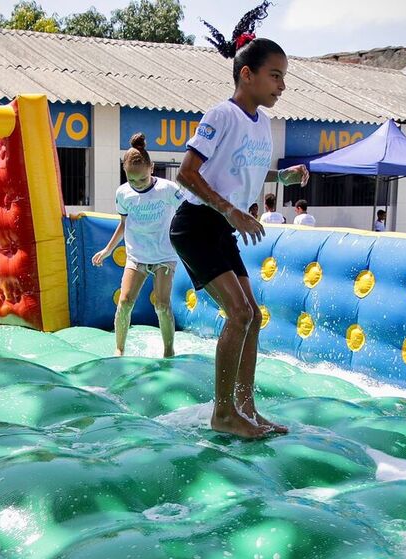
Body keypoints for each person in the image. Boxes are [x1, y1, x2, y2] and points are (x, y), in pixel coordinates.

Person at [171, 2, 308, 438]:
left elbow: (236, 168)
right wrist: (230, 209)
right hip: (195, 225)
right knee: (240, 313)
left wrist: (279, 175)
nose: (282, 85)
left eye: (284, 76)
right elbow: (188, 173)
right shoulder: (221, 115)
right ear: (246, 73)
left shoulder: (262, 124)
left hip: (221, 227)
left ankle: (245, 408)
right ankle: (223, 413)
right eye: (276, 74)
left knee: (253, 315)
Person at [91, 132, 184, 358]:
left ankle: (168, 350)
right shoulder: (123, 193)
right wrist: (108, 249)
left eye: (142, 179)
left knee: (162, 305)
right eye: (131, 180)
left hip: (163, 255)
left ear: (152, 167)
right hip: (137, 255)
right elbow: (124, 224)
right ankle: (119, 348)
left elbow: (186, 214)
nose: (137, 185)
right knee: (124, 302)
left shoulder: (168, 189)